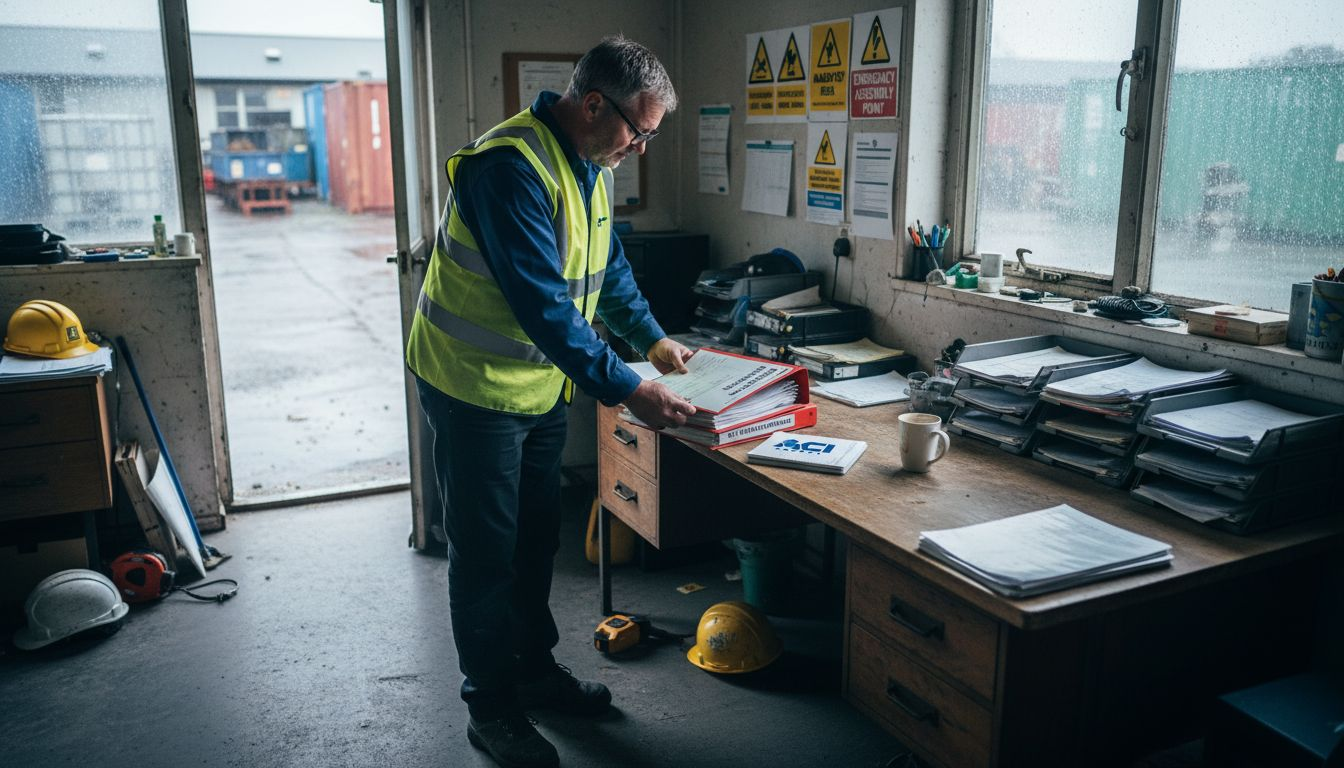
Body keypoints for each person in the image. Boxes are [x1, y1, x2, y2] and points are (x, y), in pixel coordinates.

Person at [405, 36, 695, 768]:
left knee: (536, 540)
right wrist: (631, 387)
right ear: (594, 103)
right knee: (486, 554)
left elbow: (609, 267)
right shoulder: (508, 168)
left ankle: (532, 673)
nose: (641, 148)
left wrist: (653, 342)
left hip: (535, 390)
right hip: (472, 389)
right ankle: (490, 706)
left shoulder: (589, 164)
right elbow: (544, 306)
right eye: (640, 130)